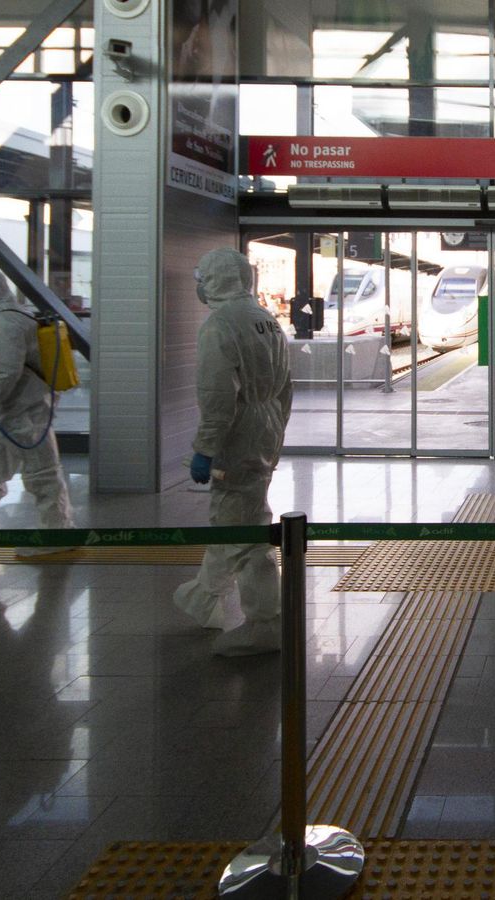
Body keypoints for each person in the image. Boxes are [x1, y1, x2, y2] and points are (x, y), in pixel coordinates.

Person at [173, 248, 293, 656]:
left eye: (202, 276)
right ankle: (205, 596)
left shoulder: (220, 325)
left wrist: (205, 448)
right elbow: (286, 388)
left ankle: (264, 624)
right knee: (236, 515)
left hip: (238, 433)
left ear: (217, 278)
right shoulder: (267, 320)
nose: (199, 285)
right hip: (266, 425)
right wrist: (275, 432)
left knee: (244, 529)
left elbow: (217, 397)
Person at [0, 266, 74, 554]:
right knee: (21, 472)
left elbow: (4, 373)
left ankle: (55, 534)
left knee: (21, 475)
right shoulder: (17, 316)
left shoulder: (4, 323)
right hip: (28, 408)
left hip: (23, 411)